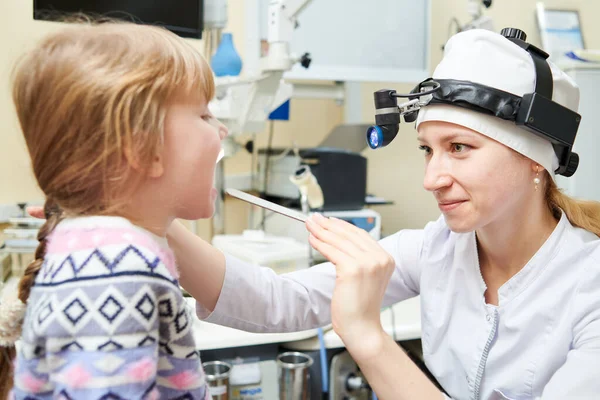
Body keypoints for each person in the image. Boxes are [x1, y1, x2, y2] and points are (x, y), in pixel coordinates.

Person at [163, 29, 600, 399]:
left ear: (534, 160)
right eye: (427, 150)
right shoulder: (436, 249)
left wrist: (366, 335)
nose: (432, 179)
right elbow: (277, 300)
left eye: (459, 148)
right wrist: (154, 219)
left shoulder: (590, 289)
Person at [0, 21, 228, 399]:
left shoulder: (101, 254)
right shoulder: (120, 267)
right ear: (141, 149)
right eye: (204, 115)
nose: (220, 130)